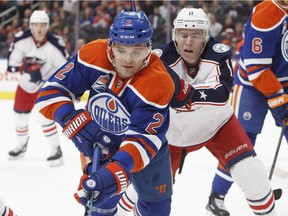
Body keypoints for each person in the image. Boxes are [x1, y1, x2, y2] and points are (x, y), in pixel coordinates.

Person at [116, 7, 278, 216]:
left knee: (253, 174)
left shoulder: (220, 53)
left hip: (217, 126)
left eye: (195, 35)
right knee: (138, 190)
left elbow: (220, 94)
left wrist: (181, 91)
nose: (188, 42)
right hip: (169, 136)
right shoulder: (159, 58)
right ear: (175, 36)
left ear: (206, 36)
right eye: (183, 34)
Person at [35, 10, 176, 216]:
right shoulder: (93, 54)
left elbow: (142, 140)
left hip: (146, 148)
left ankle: (130, 200)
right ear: (111, 45)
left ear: (148, 49)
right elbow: (49, 94)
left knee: (158, 210)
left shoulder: (159, 82)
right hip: (97, 143)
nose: (128, 59)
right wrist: (73, 121)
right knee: (100, 207)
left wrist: (118, 168)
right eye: (121, 49)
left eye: (137, 51)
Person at [208, 0, 288, 215]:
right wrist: (278, 98)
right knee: (240, 142)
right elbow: (256, 67)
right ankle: (217, 196)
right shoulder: (267, 14)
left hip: (284, 82)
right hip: (252, 83)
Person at [6, 10, 69, 167]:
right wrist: (26, 69)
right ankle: (21, 146)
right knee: (19, 117)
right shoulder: (21, 40)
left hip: (45, 86)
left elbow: (67, 69)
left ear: (47, 26)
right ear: (30, 26)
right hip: (25, 85)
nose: (39, 29)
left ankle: (56, 149)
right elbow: (11, 66)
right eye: (35, 25)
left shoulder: (55, 44)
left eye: (42, 25)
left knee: (44, 117)